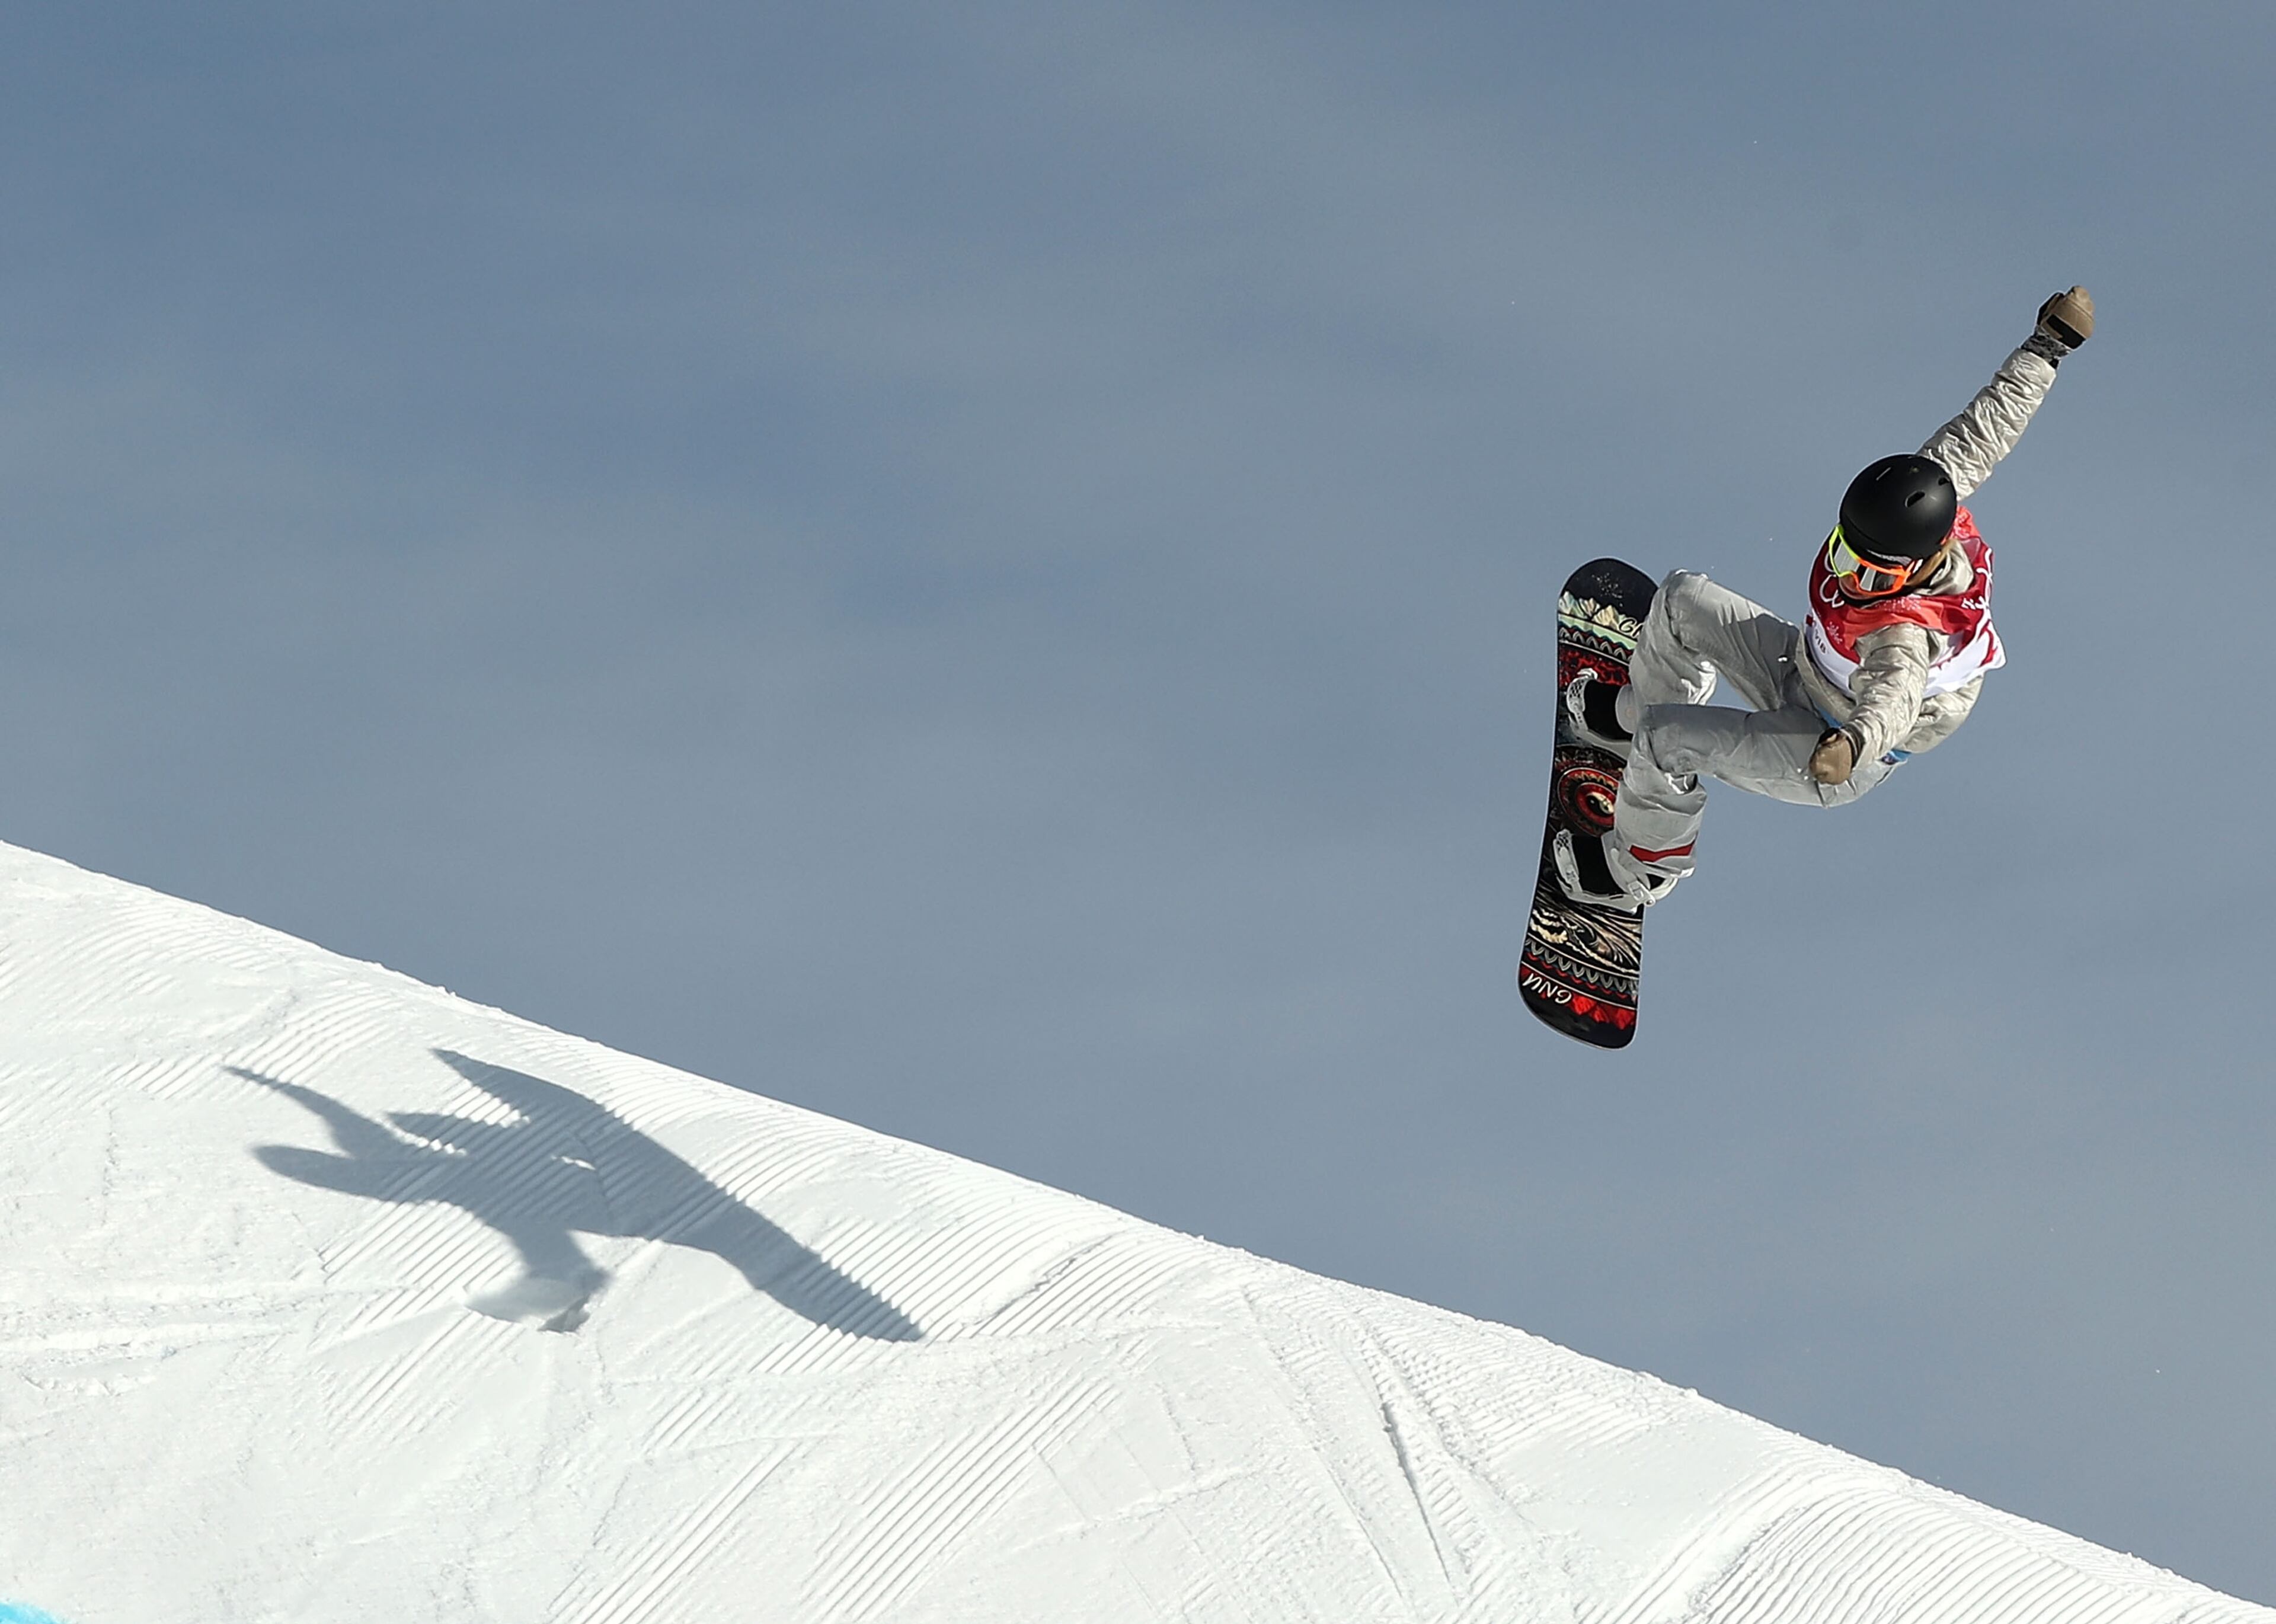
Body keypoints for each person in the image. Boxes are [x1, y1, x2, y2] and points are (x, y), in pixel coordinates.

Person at [1553, 287, 2095, 911]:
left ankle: (1644, 868)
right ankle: (1643, 748)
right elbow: (1985, 430)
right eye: (1844, 554)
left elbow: (1892, 698)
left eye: (1869, 572)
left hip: (1823, 747)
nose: (1850, 578)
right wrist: (2047, 347)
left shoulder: (1907, 634)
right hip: (1803, 669)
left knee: (1664, 738)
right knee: (1679, 599)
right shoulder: (1927, 497)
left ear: (1916, 567)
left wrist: (1854, 746)